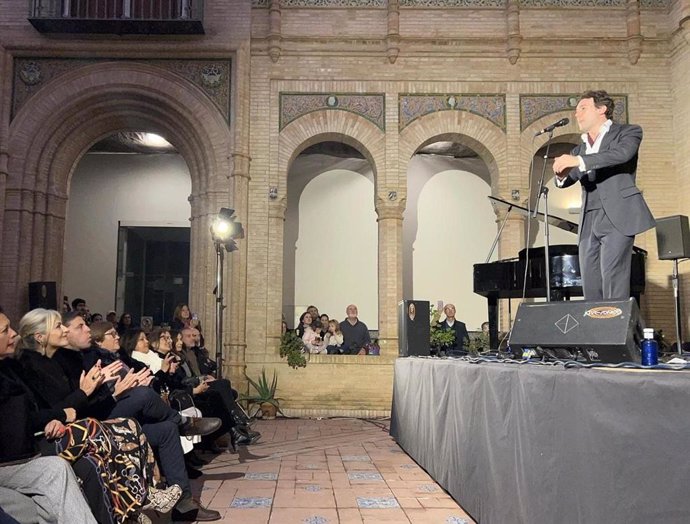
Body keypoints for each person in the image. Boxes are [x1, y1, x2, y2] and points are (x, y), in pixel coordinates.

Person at [552, 90, 655, 300]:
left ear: (602, 109)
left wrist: (580, 161)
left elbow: (621, 154)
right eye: (576, 110)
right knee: (590, 280)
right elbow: (567, 180)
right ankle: (596, 329)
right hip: (589, 217)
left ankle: (615, 330)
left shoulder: (628, 132)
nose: (577, 114)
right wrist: (560, 175)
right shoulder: (579, 149)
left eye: (583, 108)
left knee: (613, 276)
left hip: (618, 214)